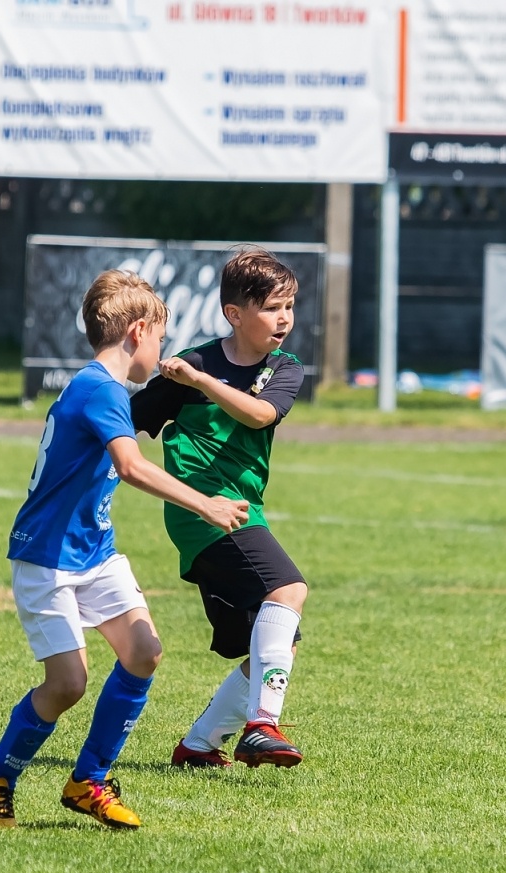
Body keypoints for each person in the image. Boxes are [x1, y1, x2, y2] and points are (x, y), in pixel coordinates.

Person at [0, 272, 250, 829]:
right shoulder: (98, 389)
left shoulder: (104, 390)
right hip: (47, 556)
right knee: (68, 683)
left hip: (94, 552)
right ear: (138, 331)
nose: (160, 351)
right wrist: (206, 505)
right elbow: (131, 465)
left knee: (143, 650)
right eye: (160, 338)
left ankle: (89, 781)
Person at [131, 247, 310, 769]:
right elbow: (125, 421)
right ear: (235, 314)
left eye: (290, 307)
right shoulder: (194, 364)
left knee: (279, 640)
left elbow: (259, 415)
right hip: (199, 511)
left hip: (242, 511)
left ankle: (198, 745)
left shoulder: (283, 368)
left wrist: (199, 381)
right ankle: (262, 726)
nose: (285, 319)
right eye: (273, 308)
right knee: (289, 589)